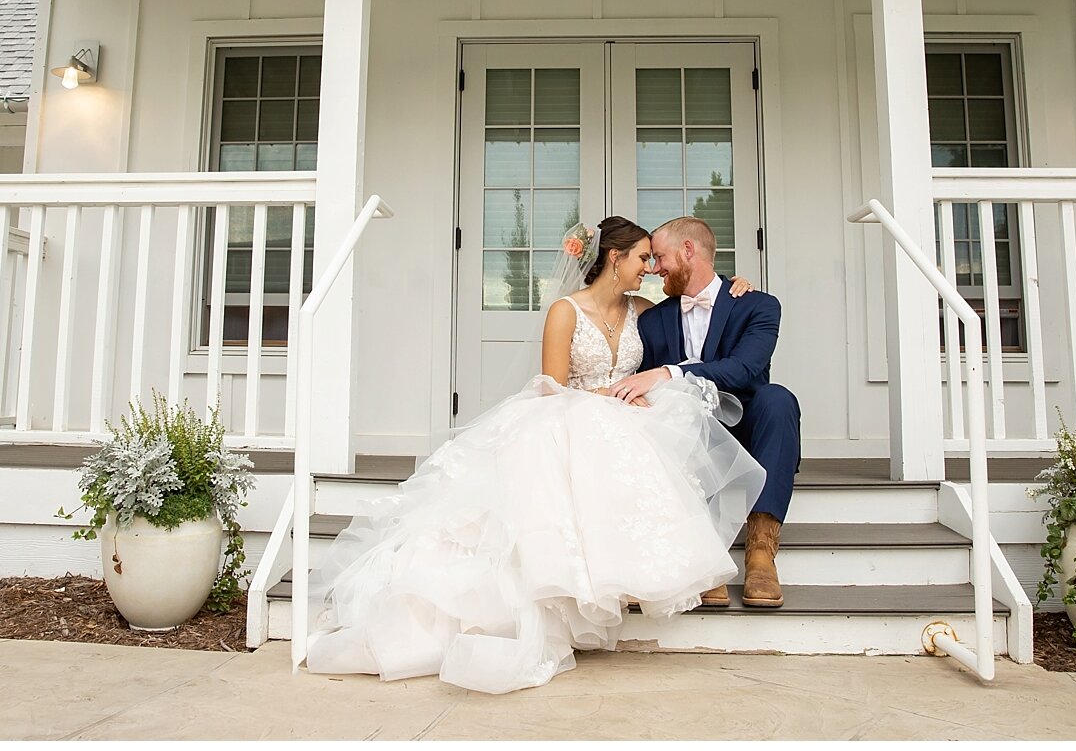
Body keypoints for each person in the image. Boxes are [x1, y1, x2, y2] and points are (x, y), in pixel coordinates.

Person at [304, 217, 767, 694]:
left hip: (626, 417)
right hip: (568, 415)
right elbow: (551, 389)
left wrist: (735, 284)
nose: (649, 268)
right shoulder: (565, 312)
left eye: (653, 258)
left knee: (651, 441)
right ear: (614, 258)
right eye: (643, 258)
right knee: (586, 452)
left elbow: (695, 303)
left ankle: (649, 574)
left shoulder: (646, 310)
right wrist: (603, 398)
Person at [607, 216, 802, 608]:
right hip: (687, 433)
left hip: (745, 425)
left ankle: (761, 552)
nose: (654, 268)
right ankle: (704, 553)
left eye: (660, 257)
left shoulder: (758, 305)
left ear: (688, 251)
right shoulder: (653, 319)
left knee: (778, 399)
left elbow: (745, 369)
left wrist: (668, 372)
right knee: (673, 414)